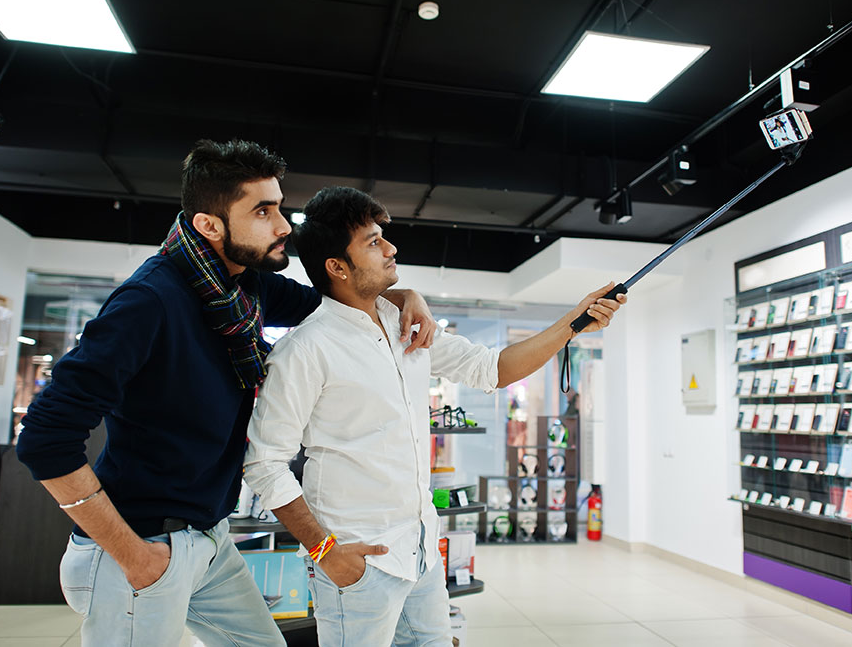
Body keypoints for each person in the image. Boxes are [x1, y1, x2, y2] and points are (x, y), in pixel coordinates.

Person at [15, 140, 436, 647]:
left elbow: (340, 302)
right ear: (209, 225)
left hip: (209, 539)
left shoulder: (246, 287)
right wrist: (133, 555)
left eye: (279, 207)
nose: (284, 226)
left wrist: (404, 295)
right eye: (263, 211)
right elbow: (43, 438)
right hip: (141, 546)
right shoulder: (148, 302)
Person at [243, 186, 626, 646]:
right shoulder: (305, 350)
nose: (391, 247)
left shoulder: (407, 324)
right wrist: (327, 553)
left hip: (421, 551)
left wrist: (573, 322)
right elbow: (265, 464)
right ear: (337, 267)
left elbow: (492, 369)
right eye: (372, 242)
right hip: (360, 559)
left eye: (383, 236)